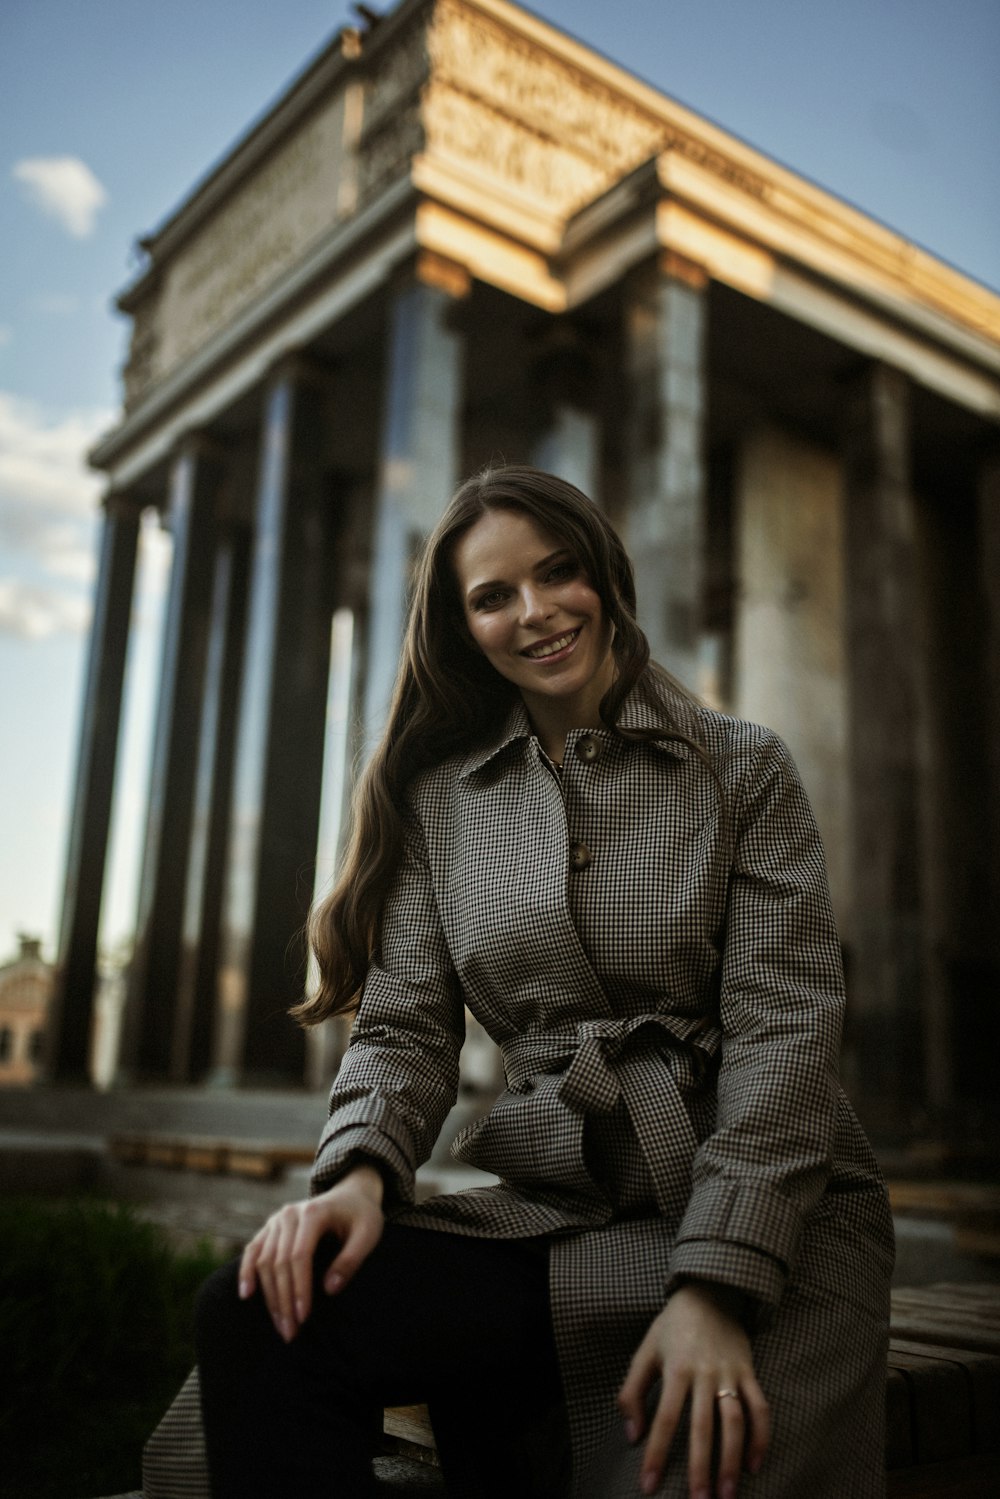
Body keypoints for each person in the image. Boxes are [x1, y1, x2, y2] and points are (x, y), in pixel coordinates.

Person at [163, 465, 894, 1499]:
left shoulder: (744, 767)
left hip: (772, 1212)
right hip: (567, 1213)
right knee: (260, 1312)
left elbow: (785, 1036)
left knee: (705, 1469)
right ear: (462, 626)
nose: (536, 612)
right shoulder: (436, 803)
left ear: (603, 573)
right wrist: (359, 1174)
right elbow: (405, 1025)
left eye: (557, 573)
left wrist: (717, 1285)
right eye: (493, 595)